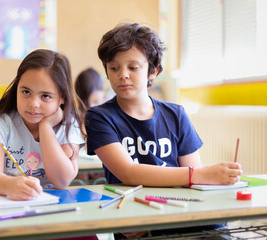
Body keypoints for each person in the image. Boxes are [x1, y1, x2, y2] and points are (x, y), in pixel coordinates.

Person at [85, 23, 243, 239]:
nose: (123, 75)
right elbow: (128, 172)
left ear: (153, 71)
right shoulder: (99, 117)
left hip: (180, 212)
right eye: (114, 68)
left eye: (133, 67)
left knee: (219, 231)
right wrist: (200, 175)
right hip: (136, 218)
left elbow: (194, 180)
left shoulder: (176, 114)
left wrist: (201, 177)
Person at [0, 49, 85, 201]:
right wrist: (10, 185)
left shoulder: (68, 126)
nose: (33, 104)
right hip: (7, 207)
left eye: (45, 96)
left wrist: (46, 128)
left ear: (62, 97)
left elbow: (62, 181)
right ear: (17, 88)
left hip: (53, 209)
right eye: (26, 92)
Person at [74, 67, 106, 183]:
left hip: (99, 169)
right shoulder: (74, 118)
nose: (95, 106)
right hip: (81, 172)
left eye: (99, 100)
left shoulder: (104, 115)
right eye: (92, 102)